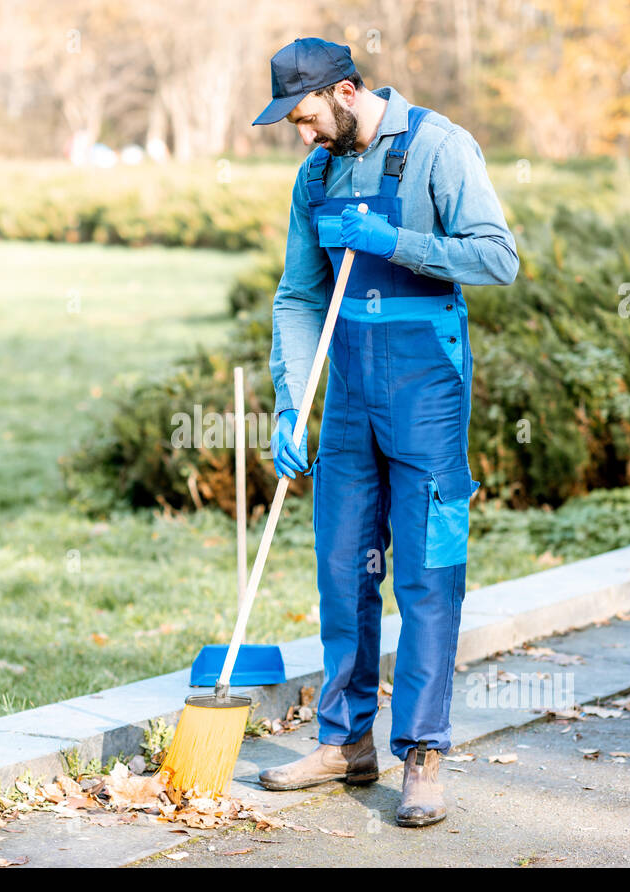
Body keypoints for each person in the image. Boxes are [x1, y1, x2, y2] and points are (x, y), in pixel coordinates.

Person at [253, 37, 518, 827]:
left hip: (426, 392)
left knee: (427, 575)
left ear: (342, 91)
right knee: (342, 566)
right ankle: (346, 742)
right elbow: (299, 297)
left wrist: (392, 243)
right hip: (351, 399)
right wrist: (290, 400)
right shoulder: (318, 173)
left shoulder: (439, 147)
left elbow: (498, 258)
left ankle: (423, 753)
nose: (301, 135)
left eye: (303, 117)